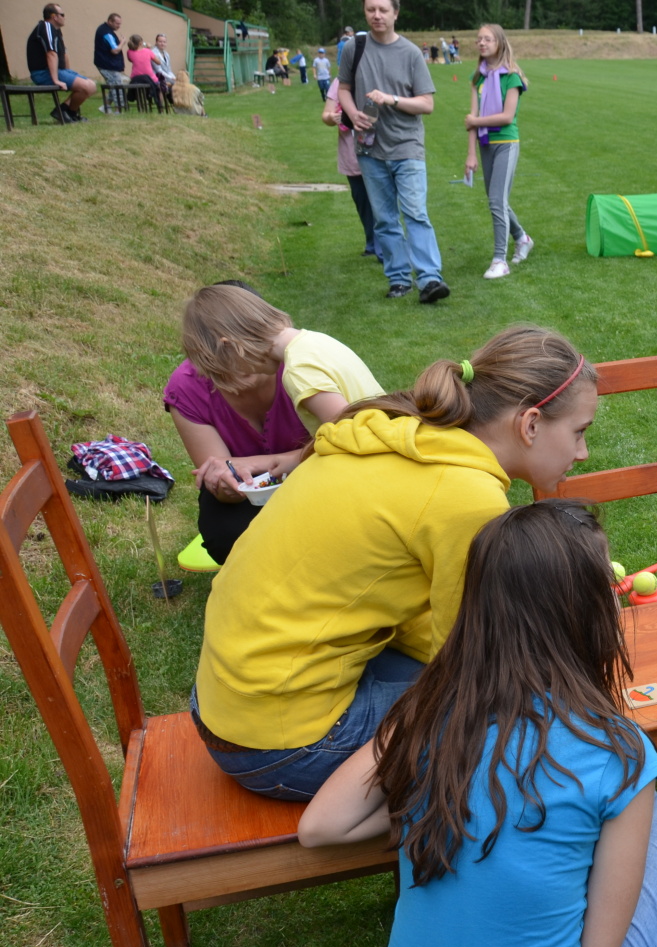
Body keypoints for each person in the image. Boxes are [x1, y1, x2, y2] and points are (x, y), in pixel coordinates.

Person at [299, 501, 657, 947]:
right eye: (607, 583)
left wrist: (429, 759)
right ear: (584, 610)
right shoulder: (618, 753)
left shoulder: (437, 718)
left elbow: (321, 825)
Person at [192, 326, 597, 800]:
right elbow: (472, 659)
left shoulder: (395, 432)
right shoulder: (466, 497)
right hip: (287, 746)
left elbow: (414, 612)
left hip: (227, 705)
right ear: (530, 424)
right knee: (523, 703)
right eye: (579, 432)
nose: (583, 452)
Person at [164, 282, 385, 566]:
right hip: (363, 464)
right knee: (227, 532)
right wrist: (227, 486)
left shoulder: (299, 370)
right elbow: (356, 433)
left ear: (230, 346)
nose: (223, 379)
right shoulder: (315, 345)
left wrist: (274, 461)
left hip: (353, 472)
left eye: (221, 368)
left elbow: (353, 437)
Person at [339, 0, 450, 303]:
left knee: (415, 213)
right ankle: (399, 279)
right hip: (369, 148)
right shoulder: (354, 48)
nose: (376, 15)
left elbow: (427, 103)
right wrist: (353, 114)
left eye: (383, 10)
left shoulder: (411, 53)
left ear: (395, 13)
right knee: (385, 219)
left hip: (406, 145)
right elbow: (344, 88)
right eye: (370, 9)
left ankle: (429, 279)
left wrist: (391, 99)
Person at [466, 24, 534, 280]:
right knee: (497, 200)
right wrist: (471, 154)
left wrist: (475, 121)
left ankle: (499, 260)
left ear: (500, 43)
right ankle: (522, 238)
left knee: (496, 201)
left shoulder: (512, 77)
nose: (482, 43)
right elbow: (472, 118)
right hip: (485, 144)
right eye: (479, 39)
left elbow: (506, 117)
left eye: (488, 39)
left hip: (506, 143)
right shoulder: (478, 78)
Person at [323, 77, 380, 260]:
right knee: (362, 201)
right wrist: (332, 118)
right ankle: (372, 243)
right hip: (351, 153)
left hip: (378, 151)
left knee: (381, 201)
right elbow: (326, 115)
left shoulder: (374, 74)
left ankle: (383, 246)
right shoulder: (339, 82)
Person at [27, 4, 96, 123]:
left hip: (58, 71)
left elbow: (63, 54)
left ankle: (66, 112)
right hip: (43, 73)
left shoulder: (57, 31)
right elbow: (51, 54)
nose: (64, 17)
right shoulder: (46, 27)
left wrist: (68, 73)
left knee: (92, 86)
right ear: (54, 16)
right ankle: (66, 112)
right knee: (85, 86)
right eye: (62, 14)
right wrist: (56, 80)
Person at [93, 11, 124, 110]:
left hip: (108, 64)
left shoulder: (105, 30)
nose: (119, 26)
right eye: (117, 23)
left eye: (120, 24)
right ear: (110, 21)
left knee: (114, 84)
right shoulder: (106, 33)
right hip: (107, 65)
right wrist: (122, 42)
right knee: (116, 85)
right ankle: (118, 109)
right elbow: (115, 50)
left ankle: (105, 107)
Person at [150, 32, 176, 102]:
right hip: (157, 77)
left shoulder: (166, 54)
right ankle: (170, 100)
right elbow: (158, 70)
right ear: (156, 42)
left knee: (179, 83)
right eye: (160, 41)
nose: (162, 44)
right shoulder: (153, 53)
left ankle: (175, 101)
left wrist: (174, 77)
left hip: (166, 77)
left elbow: (169, 70)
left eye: (164, 42)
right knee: (174, 84)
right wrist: (171, 78)